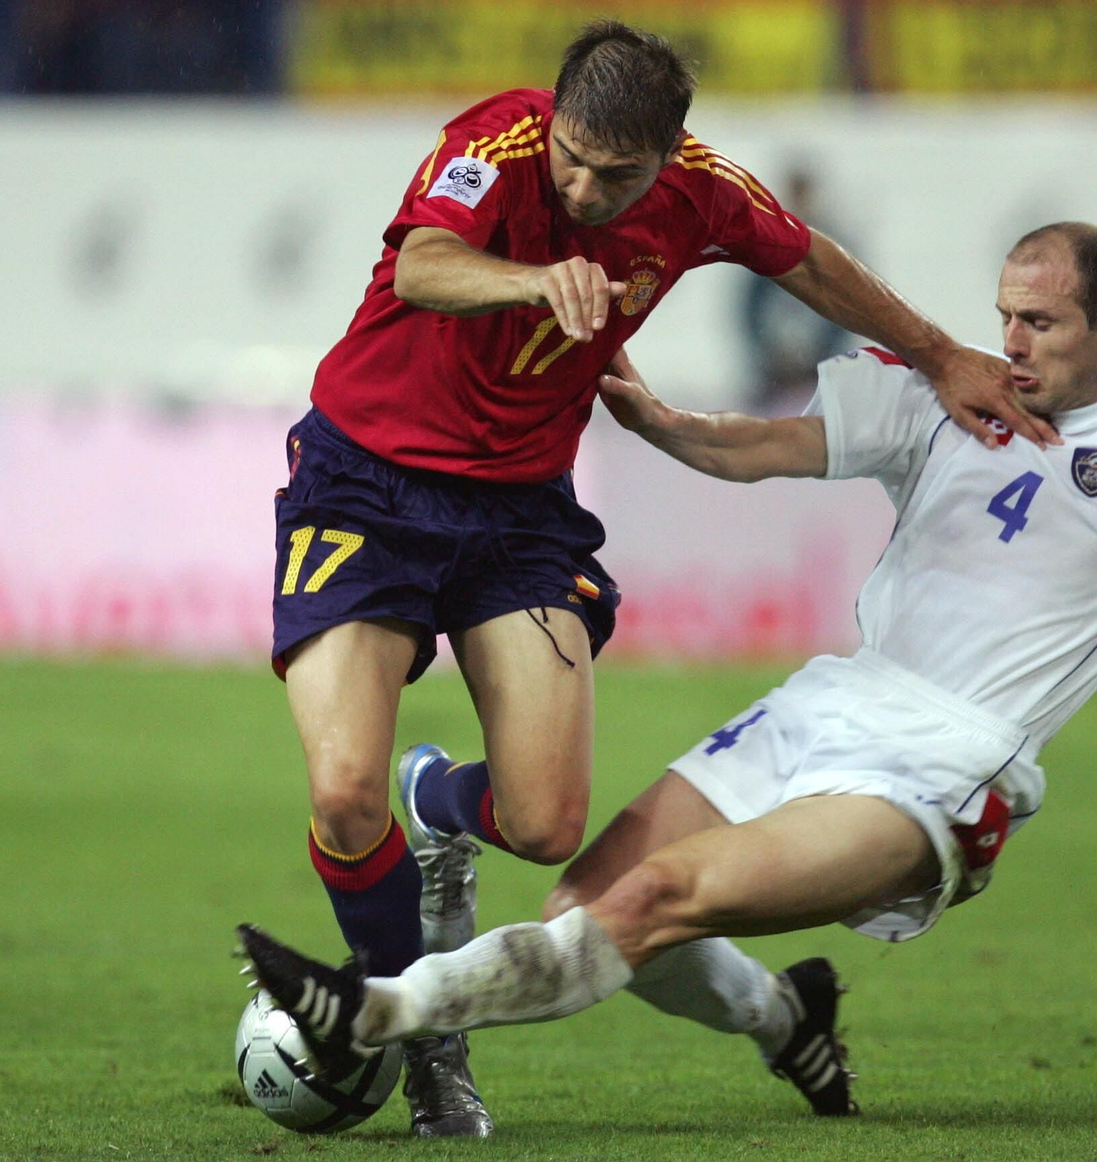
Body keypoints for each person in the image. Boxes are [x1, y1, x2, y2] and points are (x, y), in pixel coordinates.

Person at [242, 221, 1097, 1123]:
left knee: (651, 900)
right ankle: (789, 1023)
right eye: (1004, 315)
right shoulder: (946, 394)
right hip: (827, 702)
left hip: (946, 762)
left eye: (1044, 325)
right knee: (596, 903)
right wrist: (653, 414)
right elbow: (747, 449)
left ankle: (375, 1009)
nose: (1012, 343)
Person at [270, 18, 1051, 1140]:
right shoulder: (493, 142)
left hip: (517, 515)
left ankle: (439, 800)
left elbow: (814, 261)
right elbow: (422, 265)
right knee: (341, 790)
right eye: (574, 156)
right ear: (555, 117)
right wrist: (535, 280)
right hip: (366, 485)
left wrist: (938, 353)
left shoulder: (703, 192)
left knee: (545, 825)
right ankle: (428, 1043)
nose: (585, 185)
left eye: (616, 172)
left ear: (666, 155)